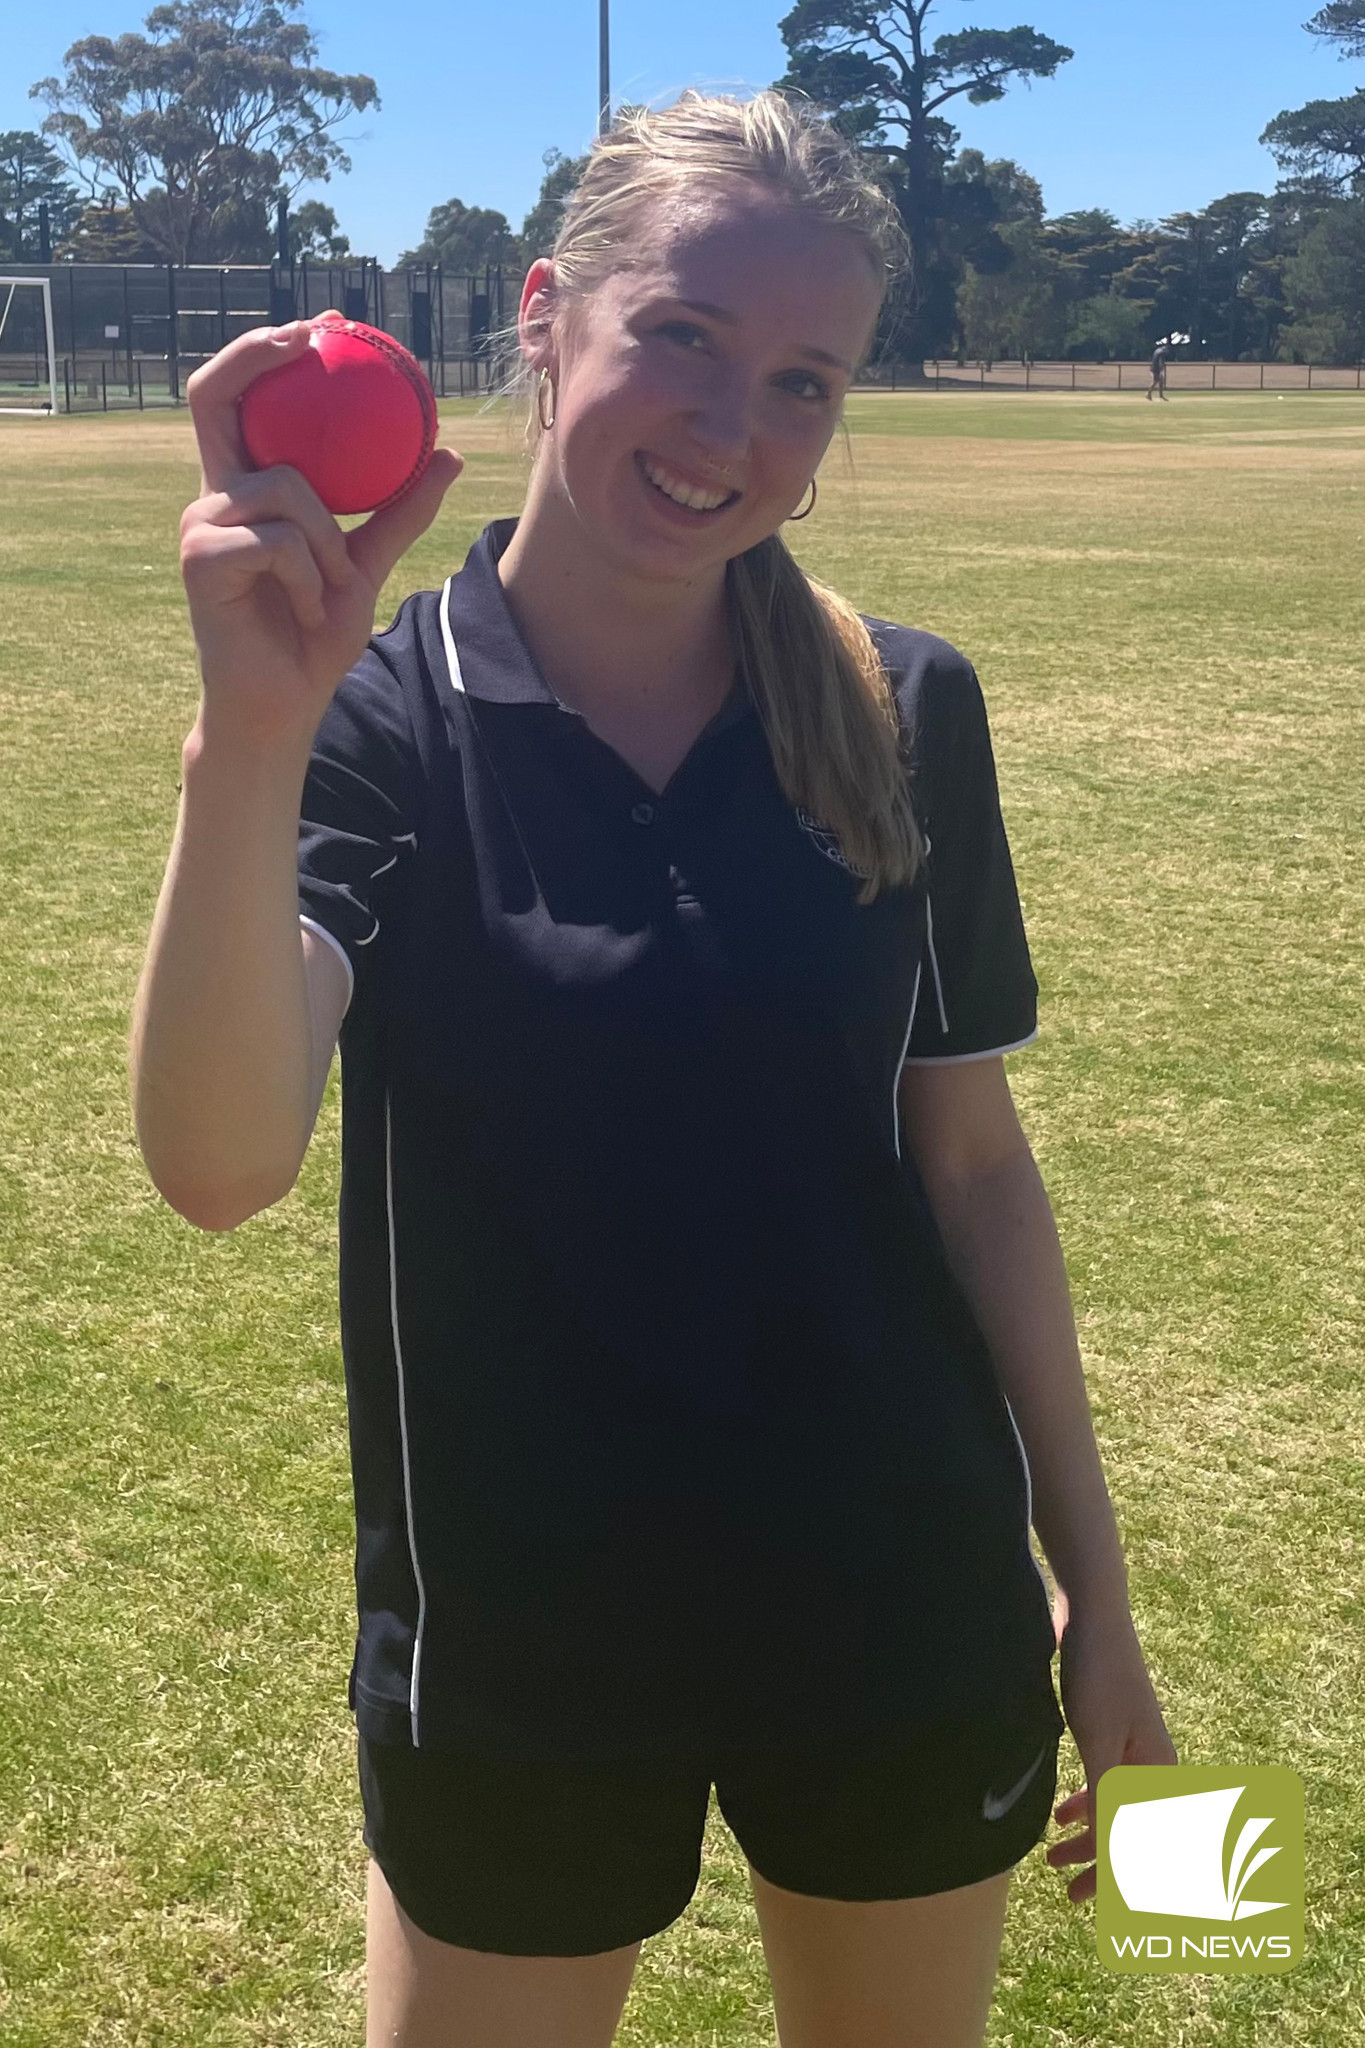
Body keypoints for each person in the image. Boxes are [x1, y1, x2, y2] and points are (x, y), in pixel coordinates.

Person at [130, 91, 1176, 2048]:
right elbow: (217, 1163)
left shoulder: (904, 699)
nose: (729, 429)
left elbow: (972, 1173)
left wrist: (1096, 1604)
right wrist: (244, 743)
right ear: (545, 315)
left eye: (802, 380)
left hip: (897, 1607)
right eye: (680, 338)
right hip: (517, 1643)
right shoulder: (380, 712)